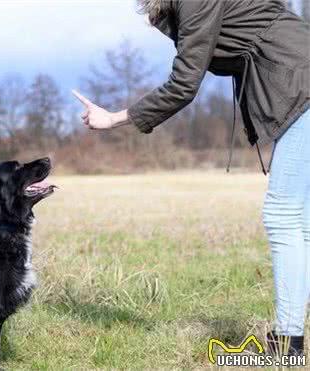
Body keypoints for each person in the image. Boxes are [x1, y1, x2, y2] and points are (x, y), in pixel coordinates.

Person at [73, 0, 309, 356]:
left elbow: (184, 84)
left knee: (283, 214)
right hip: (298, 79)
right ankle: (290, 337)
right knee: (300, 220)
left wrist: (114, 119)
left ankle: (287, 344)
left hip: (300, 84)